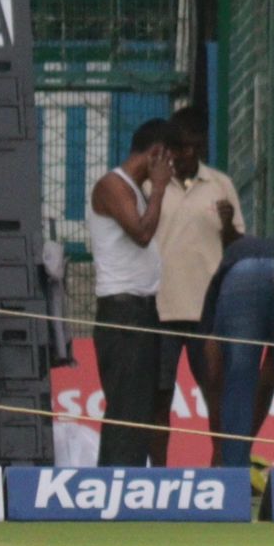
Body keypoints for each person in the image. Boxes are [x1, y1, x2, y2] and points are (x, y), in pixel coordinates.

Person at [150, 106, 244, 466]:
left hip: (209, 311)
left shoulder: (220, 185)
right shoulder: (152, 186)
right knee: (160, 397)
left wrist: (227, 227)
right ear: (169, 149)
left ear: (201, 146)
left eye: (192, 147)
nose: (186, 154)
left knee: (215, 391)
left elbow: (238, 246)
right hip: (163, 308)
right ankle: (157, 473)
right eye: (179, 147)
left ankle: (220, 468)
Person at [86, 118, 173, 466]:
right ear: (156, 153)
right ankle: (114, 485)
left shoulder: (136, 190)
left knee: (142, 407)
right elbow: (140, 232)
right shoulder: (112, 185)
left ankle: (131, 481)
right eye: (169, 161)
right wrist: (161, 190)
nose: (170, 171)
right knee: (126, 407)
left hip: (143, 310)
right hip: (122, 312)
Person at [199, 235, 274, 470]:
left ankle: (232, 476)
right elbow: (272, 373)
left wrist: (220, 446)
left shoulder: (225, 269)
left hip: (242, 276)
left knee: (238, 383)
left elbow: (213, 365)